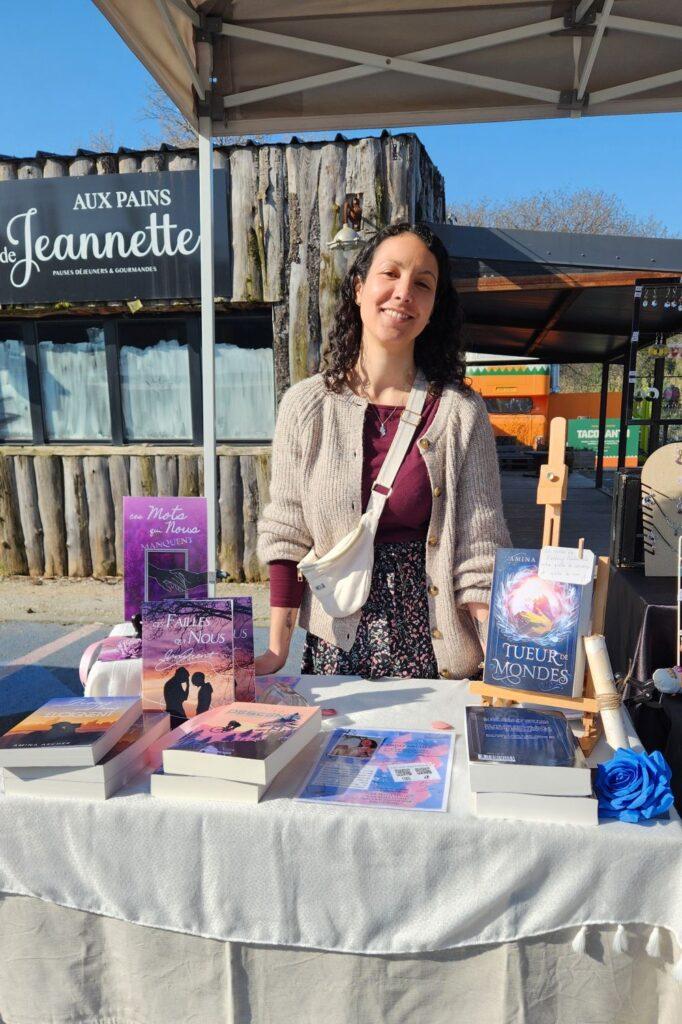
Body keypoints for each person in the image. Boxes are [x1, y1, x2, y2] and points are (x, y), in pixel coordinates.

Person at [256, 222, 510, 681]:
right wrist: (276, 650)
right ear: (358, 288)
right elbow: (286, 532)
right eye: (390, 274)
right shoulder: (306, 406)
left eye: (422, 284)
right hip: (337, 642)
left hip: (434, 645)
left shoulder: (460, 412)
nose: (403, 292)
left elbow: (479, 549)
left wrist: (505, 657)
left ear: (434, 308)